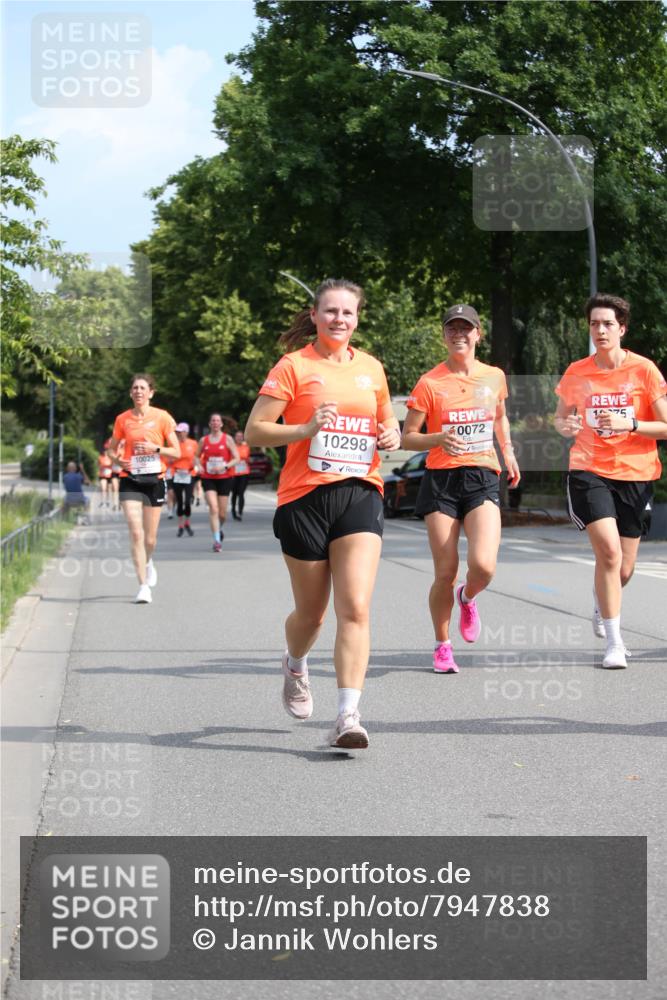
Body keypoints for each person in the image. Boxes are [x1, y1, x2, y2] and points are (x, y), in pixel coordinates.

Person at [245, 278, 401, 750]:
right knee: (312, 616)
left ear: (357, 318)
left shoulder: (371, 368)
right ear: (314, 316)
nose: (339, 319)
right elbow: (255, 431)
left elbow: (387, 420)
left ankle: (348, 715)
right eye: (330, 311)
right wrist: (306, 428)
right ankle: (295, 663)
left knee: (355, 607)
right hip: (304, 498)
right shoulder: (293, 366)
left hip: (360, 491)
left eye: (347, 312)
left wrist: (391, 434)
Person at [401, 304, 521, 674]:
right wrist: (437, 438)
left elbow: (500, 417)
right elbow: (408, 437)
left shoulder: (494, 376)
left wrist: (509, 452)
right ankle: (442, 645)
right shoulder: (430, 382)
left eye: (465, 328)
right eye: (452, 329)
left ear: (478, 334)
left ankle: (467, 597)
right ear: (444, 335)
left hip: (482, 475)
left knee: (483, 566)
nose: (459, 335)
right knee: (445, 570)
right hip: (442, 480)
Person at [555, 293, 667, 669]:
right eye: (594, 324)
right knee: (609, 552)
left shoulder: (644, 370)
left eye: (607, 324)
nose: (600, 330)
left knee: (625, 568)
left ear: (622, 329)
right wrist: (566, 425)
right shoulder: (577, 372)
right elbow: (561, 419)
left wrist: (630, 423)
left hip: (636, 473)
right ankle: (615, 645)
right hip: (589, 469)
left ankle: (601, 600)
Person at [107, 374, 180, 604]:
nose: (138, 391)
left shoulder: (162, 417)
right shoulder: (122, 419)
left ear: (151, 392)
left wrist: (155, 448)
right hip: (130, 478)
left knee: (150, 539)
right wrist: (118, 461)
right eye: (135, 388)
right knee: (136, 532)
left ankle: (148, 562)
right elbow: (111, 450)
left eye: (142, 388)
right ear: (131, 393)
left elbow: (176, 452)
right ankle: (143, 586)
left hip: (154, 480)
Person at [197, 413, 240, 552]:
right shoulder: (203, 440)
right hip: (208, 477)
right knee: (213, 509)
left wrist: (225, 466)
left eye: (217, 421)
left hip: (224, 478)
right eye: (213, 421)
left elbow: (237, 458)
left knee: (222, 514)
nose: (215, 423)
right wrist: (199, 466)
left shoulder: (227, 439)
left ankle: (219, 528)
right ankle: (216, 540)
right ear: (210, 424)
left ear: (221, 424)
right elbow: (196, 457)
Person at [172, 422, 198, 537]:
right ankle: (180, 526)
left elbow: (198, 457)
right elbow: (168, 458)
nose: (179, 434)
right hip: (177, 474)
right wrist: (171, 460)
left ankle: (187, 523)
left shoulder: (193, 443)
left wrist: (196, 466)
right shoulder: (174, 444)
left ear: (186, 432)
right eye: (177, 432)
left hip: (189, 474)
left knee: (187, 501)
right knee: (179, 501)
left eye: (181, 432)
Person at [231, 429, 251, 520]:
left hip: (244, 473)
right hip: (233, 473)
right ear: (234, 438)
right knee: (234, 493)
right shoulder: (232, 447)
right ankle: (233, 510)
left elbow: (248, 459)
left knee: (241, 492)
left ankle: (240, 512)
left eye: (241, 436)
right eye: (237, 436)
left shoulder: (246, 447)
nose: (239, 438)